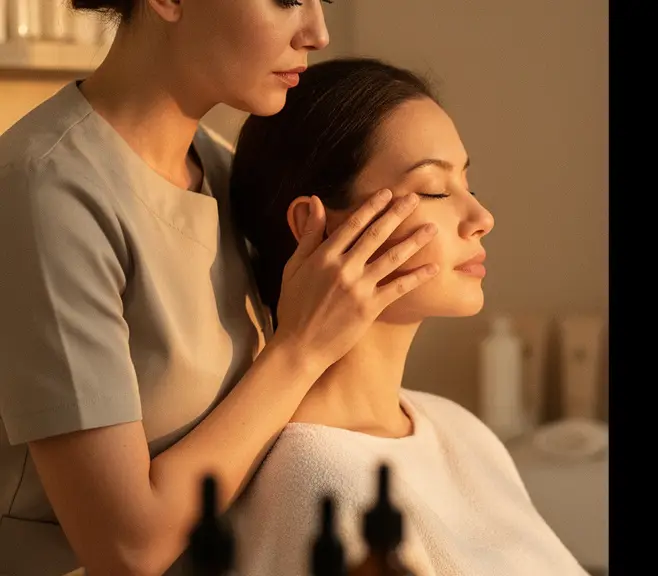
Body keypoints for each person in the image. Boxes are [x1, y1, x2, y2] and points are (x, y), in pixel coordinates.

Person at [0, 1, 441, 575]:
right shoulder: (45, 194)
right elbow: (124, 549)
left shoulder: (221, 169)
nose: (317, 33)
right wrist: (301, 349)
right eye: (286, 0)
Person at [227, 57, 589, 576]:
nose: (481, 219)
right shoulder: (316, 481)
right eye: (435, 190)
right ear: (315, 226)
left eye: (469, 183)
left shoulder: (457, 429)